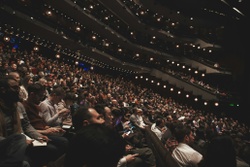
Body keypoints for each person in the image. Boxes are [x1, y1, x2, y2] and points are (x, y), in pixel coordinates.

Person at [0, 75, 30, 167]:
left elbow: (25, 126)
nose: (18, 91)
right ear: (3, 90)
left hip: (12, 144)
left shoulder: (15, 107)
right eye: (15, 88)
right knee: (19, 138)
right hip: (5, 142)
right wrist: (14, 143)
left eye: (18, 87)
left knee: (25, 164)